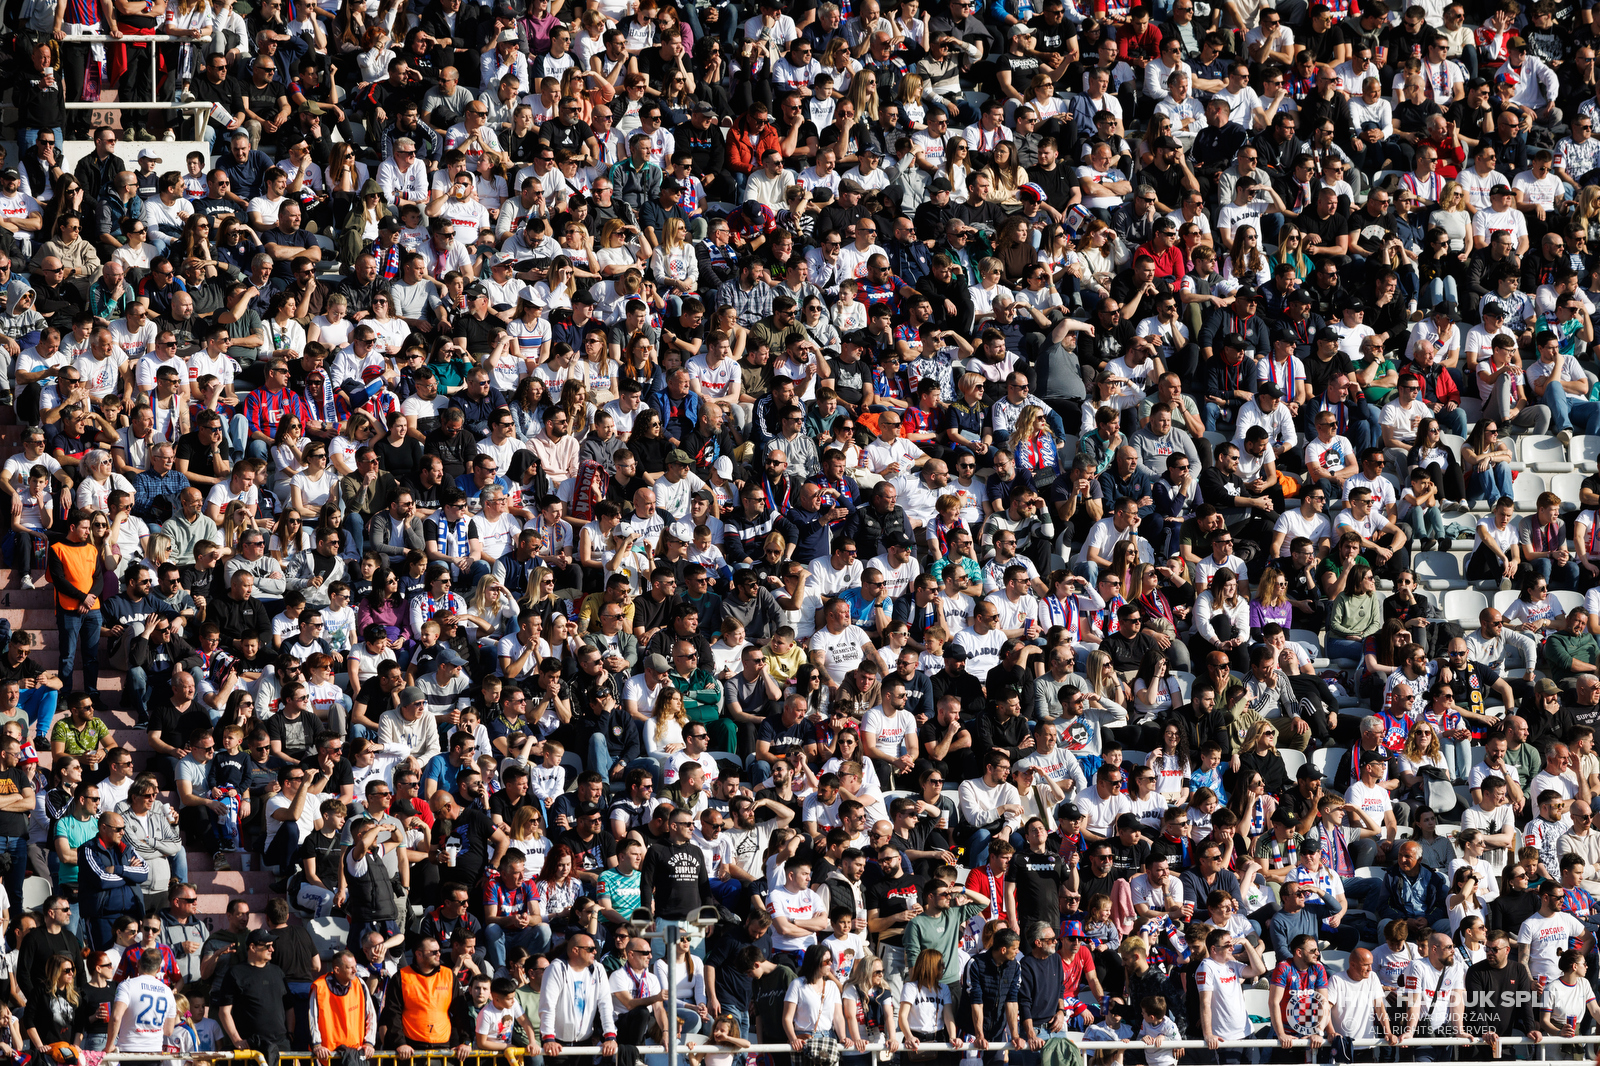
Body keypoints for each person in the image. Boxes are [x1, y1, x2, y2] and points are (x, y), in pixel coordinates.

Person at [217, 929, 292, 1056]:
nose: (272, 950)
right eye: (268, 946)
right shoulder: (236, 973)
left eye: (272, 946)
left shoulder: (278, 972)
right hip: (252, 1048)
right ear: (252, 947)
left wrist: (290, 1033)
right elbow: (224, 1011)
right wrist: (237, 1039)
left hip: (281, 1046)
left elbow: (289, 1007)